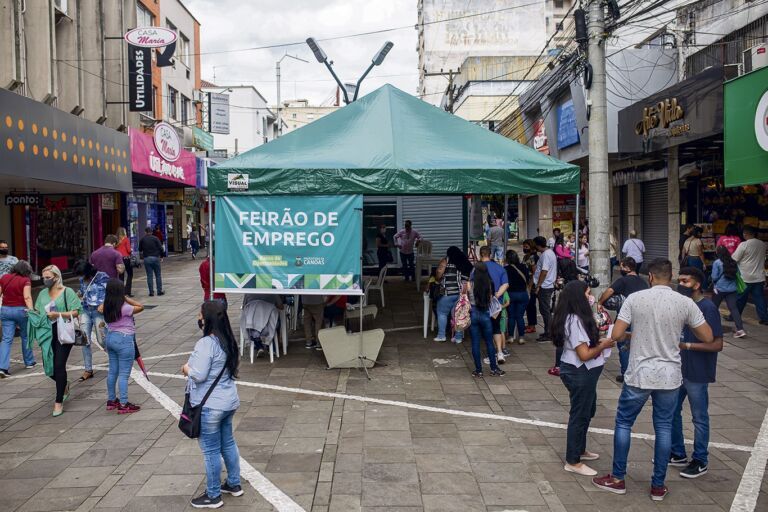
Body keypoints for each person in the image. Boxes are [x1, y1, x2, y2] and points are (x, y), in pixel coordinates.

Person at [592, 258, 714, 502]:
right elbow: (708, 336)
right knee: (664, 427)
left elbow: (616, 334)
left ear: (650, 277)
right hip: (669, 376)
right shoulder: (684, 302)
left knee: (624, 422)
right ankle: (658, 485)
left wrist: (634, 332)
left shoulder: (636, 299)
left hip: (639, 372)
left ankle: (617, 478)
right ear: (671, 277)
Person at [182, 301, 243, 509]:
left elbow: (198, 375)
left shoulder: (206, 343)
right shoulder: (228, 340)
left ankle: (213, 495)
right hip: (229, 401)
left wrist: (186, 368)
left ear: (206, 319)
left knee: (210, 451)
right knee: (228, 443)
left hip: (210, 406)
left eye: (199, 315)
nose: (198, 318)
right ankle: (234, 483)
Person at [553, 280, 614, 476]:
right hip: (579, 372)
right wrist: (603, 345)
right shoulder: (575, 321)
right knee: (579, 415)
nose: (591, 297)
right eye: (588, 293)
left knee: (588, 409)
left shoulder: (577, 318)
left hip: (585, 373)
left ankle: (580, 449)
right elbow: (585, 354)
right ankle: (573, 460)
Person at [671, 266, 724, 479]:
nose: (680, 284)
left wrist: (688, 347)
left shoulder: (708, 308)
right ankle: (677, 453)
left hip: (698, 372)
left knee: (699, 417)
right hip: (679, 369)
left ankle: (700, 459)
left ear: (697, 284)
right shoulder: (683, 305)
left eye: (685, 281)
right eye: (679, 280)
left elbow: (717, 344)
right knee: (672, 411)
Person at [35, 265, 83, 417]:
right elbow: (38, 311)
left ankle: (58, 402)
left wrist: (58, 314)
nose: (45, 280)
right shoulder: (42, 293)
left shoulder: (67, 292)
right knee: (49, 368)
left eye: (48, 277)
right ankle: (64, 385)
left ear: (56, 277)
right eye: (43, 277)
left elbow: (76, 311)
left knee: (59, 365)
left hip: (63, 332)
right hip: (47, 334)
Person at [597, 257, 648, 382]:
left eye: (622, 266)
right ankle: (638, 372)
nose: (620, 269)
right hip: (642, 319)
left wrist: (600, 302)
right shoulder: (643, 282)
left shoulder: (623, 281)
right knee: (638, 345)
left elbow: (609, 291)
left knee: (624, 345)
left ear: (627, 268)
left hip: (626, 319)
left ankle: (626, 374)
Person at [100, 279, 143, 413]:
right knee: (124, 374)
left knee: (113, 371)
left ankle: (111, 400)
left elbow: (99, 308)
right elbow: (140, 306)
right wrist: (127, 299)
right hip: (124, 340)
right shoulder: (125, 307)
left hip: (110, 338)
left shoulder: (106, 306)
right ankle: (124, 404)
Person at [467, 262, 504, 377]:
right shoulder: (489, 284)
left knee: (475, 343)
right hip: (485, 314)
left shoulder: (469, 284)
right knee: (489, 342)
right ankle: (494, 368)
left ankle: (478, 370)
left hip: (473, 314)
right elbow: (491, 298)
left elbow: (466, 297)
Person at [75, 261, 110, 382]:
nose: (81, 277)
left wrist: (104, 304)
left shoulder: (102, 277)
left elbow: (110, 292)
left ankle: (114, 360)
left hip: (98, 312)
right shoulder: (82, 280)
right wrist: (76, 295)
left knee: (102, 339)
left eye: (82, 274)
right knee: (85, 341)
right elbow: (82, 291)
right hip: (85, 310)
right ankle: (88, 369)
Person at [0, 260, 36, 375]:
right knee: (25, 336)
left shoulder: (5, 277)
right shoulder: (25, 280)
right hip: (21, 311)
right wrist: (32, 311)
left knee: (6, 339)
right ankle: (29, 362)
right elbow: (27, 297)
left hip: (5, 310)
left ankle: (3, 367)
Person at [476, 245, 509, 363]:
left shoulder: (477, 268)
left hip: (481, 304)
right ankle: (499, 352)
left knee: (485, 330)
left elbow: (471, 284)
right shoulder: (500, 268)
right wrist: (497, 295)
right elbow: (506, 284)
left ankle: (490, 355)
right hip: (496, 305)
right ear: (490, 255)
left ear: (480, 254)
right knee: (496, 328)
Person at [434, 246, 472, 343]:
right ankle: (458, 337)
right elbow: (468, 279)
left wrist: (438, 278)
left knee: (442, 313)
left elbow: (439, 273)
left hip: (447, 293)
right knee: (458, 315)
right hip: (461, 294)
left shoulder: (446, 260)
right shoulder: (465, 262)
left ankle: (441, 335)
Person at [732, 225, 768, 325]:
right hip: (759, 277)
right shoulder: (762, 244)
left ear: (745, 234)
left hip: (745, 277)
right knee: (759, 298)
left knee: (740, 298)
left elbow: (734, 259)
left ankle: (733, 316)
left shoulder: (744, 245)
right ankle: (764, 318)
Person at [711, 246, 746, 338]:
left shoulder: (717, 263)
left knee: (713, 308)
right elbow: (738, 274)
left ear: (718, 253)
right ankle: (740, 330)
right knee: (734, 309)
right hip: (732, 289)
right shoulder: (733, 262)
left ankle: (710, 327)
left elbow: (714, 277)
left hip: (719, 289)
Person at [533, 236, 557, 342]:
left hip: (545, 286)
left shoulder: (546, 255)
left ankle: (549, 333)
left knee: (545, 310)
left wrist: (538, 285)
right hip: (547, 285)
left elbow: (544, 271)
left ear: (538, 245)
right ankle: (548, 331)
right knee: (544, 310)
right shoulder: (549, 253)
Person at [505, 250, 529, 345]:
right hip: (522, 294)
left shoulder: (506, 269)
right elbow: (527, 279)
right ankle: (521, 337)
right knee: (520, 316)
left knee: (511, 316)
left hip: (510, 294)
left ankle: (511, 337)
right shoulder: (523, 267)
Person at [139, 227, 164, 296]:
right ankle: (159, 291)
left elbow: (140, 249)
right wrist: (162, 256)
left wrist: (142, 257)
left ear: (145, 232)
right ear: (152, 232)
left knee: (149, 275)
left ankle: (151, 292)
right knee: (158, 275)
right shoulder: (155, 238)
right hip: (155, 258)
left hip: (147, 258)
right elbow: (161, 248)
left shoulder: (142, 239)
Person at [522, 240, 538, 334]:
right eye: (524, 246)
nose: (524, 248)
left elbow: (534, 272)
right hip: (526, 283)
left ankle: (532, 325)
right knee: (528, 305)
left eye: (526, 247)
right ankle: (530, 323)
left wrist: (530, 285)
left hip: (531, 285)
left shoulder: (533, 257)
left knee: (531, 305)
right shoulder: (526, 256)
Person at [116, 228, 133, 297]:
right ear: (124, 232)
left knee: (121, 276)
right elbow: (129, 250)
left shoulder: (116, 240)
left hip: (119, 259)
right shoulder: (126, 239)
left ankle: (121, 292)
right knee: (130, 274)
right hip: (126, 259)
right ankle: (127, 292)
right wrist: (131, 250)